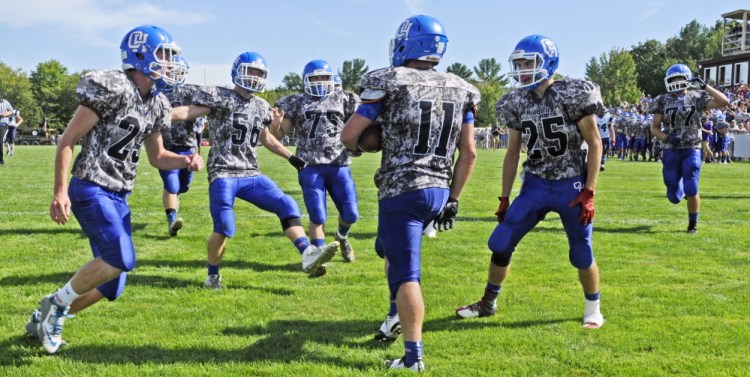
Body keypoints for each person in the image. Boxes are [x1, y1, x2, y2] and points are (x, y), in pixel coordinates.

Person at [25, 25, 202, 354]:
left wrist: (186, 160)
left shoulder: (157, 103)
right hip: (91, 186)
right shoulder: (112, 86)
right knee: (121, 258)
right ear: (141, 53)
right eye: (164, 55)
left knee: (111, 286)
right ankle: (55, 306)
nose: (170, 62)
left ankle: (42, 318)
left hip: (119, 195)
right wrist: (60, 191)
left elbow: (158, 157)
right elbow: (67, 141)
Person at [341, 15, 479, 371]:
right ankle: (393, 315)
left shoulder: (390, 79)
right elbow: (470, 152)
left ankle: (413, 357)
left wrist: (362, 145)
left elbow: (348, 135)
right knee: (385, 249)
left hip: (403, 190)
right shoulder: (461, 87)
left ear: (408, 43)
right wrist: (453, 198)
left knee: (406, 276)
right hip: (438, 187)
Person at [454, 34, 606, 331]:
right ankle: (488, 303)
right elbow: (512, 153)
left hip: (571, 185)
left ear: (547, 62)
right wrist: (504, 196)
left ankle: (593, 308)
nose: (523, 68)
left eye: (529, 62)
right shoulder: (515, 101)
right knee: (500, 241)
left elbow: (595, 143)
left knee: (581, 251)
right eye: (519, 63)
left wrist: (589, 191)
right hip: (535, 183)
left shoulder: (573, 93)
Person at [171, 52, 339, 288]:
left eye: (259, 73)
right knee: (225, 227)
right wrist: (159, 115)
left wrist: (291, 156)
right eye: (251, 71)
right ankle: (212, 276)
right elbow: (188, 112)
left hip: (251, 173)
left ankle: (307, 253)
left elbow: (267, 138)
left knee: (287, 205)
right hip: (224, 172)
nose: (254, 77)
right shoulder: (220, 96)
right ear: (237, 71)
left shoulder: (261, 105)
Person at [272, 59, 360, 263]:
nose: (320, 82)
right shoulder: (296, 101)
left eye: (324, 77)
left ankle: (342, 237)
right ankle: (319, 257)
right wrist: (276, 125)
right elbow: (279, 135)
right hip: (310, 166)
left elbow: (359, 124)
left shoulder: (344, 98)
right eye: (315, 78)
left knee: (351, 214)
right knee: (318, 215)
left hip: (339, 164)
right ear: (306, 80)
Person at [649, 64, 729, 234]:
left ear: (687, 79)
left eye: (680, 78)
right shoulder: (663, 99)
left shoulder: (697, 96)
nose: (677, 81)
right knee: (673, 195)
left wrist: (705, 86)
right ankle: (676, 190)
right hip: (671, 148)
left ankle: (692, 224)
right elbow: (654, 127)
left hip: (692, 147)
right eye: (674, 78)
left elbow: (724, 102)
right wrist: (666, 137)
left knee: (691, 186)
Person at [161, 82, 205, 236]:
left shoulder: (190, 91)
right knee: (172, 185)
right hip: (166, 148)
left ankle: (174, 199)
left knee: (183, 187)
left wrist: (200, 123)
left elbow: (203, 112)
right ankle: (172, 220)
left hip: (188, 148)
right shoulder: (156, 91)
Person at [0, 97, 13, 165]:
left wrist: (4, 114)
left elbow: (11, 110)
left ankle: (1, 160)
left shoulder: (5, 102)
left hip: (3, 125)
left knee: (0, 141)